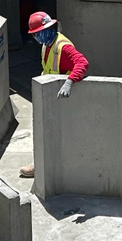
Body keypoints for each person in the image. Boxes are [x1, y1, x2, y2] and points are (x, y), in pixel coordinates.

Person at [20, 10, 88, 178]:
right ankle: (41, 164)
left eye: (37, 34)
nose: (35, 38)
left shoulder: (62, 47)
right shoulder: (48, 45)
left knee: (58, 135)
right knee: (44, 132)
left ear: (47, 29)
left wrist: (70, 81)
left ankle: (44, 167)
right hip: (50, 95)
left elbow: (82, 62)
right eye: (34, 35)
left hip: (63, 98)